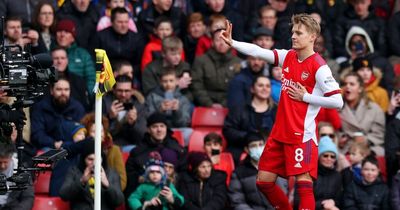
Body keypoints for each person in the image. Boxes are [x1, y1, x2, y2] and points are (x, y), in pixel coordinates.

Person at [220, 13, 343, 209]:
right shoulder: (288, 57)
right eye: (293, 32)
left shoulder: (319, 67)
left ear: (312, 36)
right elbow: (259, 51)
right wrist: (233, 42)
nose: (293, 36)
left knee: (304, 185)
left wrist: (306, 98)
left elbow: (338, 102)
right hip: (279, 133)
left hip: (301, 135)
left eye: (299, 33)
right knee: (263, 181)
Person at [125, 112, 185, 198]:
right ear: (148, 130)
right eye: (155, 126)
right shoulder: (138, 152)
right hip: (145, 196)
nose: (159, 129)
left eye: (162, 126)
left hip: (171, 196)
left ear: (166, 128)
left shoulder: (177, 149)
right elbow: (130, 177)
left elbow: (184, 175)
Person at [223, 76, 277, 164]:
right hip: (242, 151)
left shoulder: (277, 110)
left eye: (268, 86)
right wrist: (248, 137)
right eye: (260, 85)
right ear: (252, 89)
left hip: (271, 153)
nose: (264, 89)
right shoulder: (239, 109)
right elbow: (228, 130)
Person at [59, 139, 124, 210]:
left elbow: (119, 201)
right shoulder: (74, 172)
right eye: (90, 159)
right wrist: (81, 182)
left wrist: (107, 185)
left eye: (98, 159)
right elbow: (64, 195)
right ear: (84, 159)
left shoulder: (111, 173)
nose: (94, 163)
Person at [229, 132, 288, 210]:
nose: (258, 148)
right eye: (253, 146)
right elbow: (237, 201)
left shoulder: (276, 167)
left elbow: (284, 193)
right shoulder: (239, 173)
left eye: (260, 144)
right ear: (246, 149)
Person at [30, 78, 85, 150]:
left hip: (72, 147)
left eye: (66, 89)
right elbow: (37, 133)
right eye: (59, 89)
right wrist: (54, 144)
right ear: (51, 91)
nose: (63, 93)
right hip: (48, 147)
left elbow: (82, 131)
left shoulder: (77, 108)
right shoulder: (41, 107)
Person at [192, 29, 241, 107]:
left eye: (225, 40)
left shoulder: (238, 63)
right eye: (218, 40)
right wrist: (209, 104)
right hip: (205, 104)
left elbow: (238, 89)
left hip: (231, 104)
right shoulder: (201, 61)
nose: (222, 43)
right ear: (212, 42)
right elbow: (197, 85)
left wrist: (225, 104)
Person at [340, 73, 385, 155]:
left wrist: (365, 140)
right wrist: (340, 138)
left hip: (369, 148)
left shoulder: (374, 109)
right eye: (345, 84)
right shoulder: (337, 108)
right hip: (346, 149)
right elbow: (333, 131)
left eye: (352, 84)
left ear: (360, 89)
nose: (347, 86)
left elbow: (379, 134)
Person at [80, 112, 127, 191]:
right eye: (94, 131)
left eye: (101, 131)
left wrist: (109, 190)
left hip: (109, 196)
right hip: (86, 196)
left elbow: (122, 180)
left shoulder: (114, 150)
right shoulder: (82, 151)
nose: (99, 134)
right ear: (87, 134)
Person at [294, 136, 342, 210]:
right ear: (319, 156)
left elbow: (339, 200)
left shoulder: (337, 176)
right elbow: (298, 201)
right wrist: (322, 205)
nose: (329, 159)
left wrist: (333, 202)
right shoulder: (307, 174)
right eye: (325, 155)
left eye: (332, 156)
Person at [145, 69, 192, 144]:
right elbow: (148, 119)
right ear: (160, 82)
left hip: (175, 128)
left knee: (189, 132)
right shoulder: (152, 97)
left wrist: (177, 111)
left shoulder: (183, 99)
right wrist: (160, 111)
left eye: (171, 81)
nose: (168, 84)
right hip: (158, 129)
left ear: (177, 81)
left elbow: (184, 123)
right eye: (165, 81)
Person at [103, 75, 147, 148]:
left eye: (127, 91)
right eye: (120, 91)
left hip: (133, 146)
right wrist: (110, 118)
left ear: (132, 91)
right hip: (110, 146)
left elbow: (142, 135)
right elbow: (99, 134)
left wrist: (133, 124)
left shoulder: (139, 105)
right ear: (113, 90)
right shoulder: (103, 103)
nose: (123, 95)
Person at [55, 19, 96, 93]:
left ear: (73, 37)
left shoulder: (83, 54)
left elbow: (91, 78)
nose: (62, 35)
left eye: (67, 32)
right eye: (59, 31)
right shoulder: (49, 53)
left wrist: (87, 95)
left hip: (79, 96)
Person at [51, 47, 92, 112]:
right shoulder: (44, 80)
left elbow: (84, 105)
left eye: (62, 58)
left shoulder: (78, 80)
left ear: (67, 60)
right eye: (56, 58)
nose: (59, 61)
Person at [0, 141, 34, 209]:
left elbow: (28, 197)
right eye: (0, 162)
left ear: (11, 158)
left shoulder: (21, 169)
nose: (2, 166)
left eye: (5, 162)